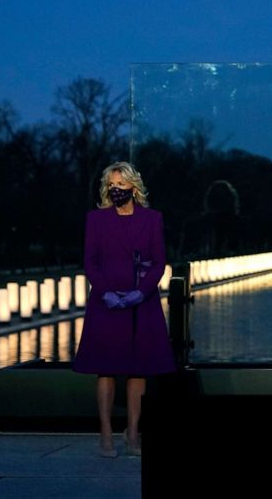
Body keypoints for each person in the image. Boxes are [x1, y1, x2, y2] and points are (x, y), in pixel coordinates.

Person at [73, 161, 175, 457]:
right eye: (111, 185)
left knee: (138, 369)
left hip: (140, 304)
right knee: (105, 368)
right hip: (106, 303)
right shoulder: (96, 219)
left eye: (120, 184)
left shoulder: (153, 219)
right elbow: (90, 260)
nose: (115, 190)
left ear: (134, 186)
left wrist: (139, 293)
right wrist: (105, 293)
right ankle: (105, 434)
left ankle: (133, 434)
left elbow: (158, 261)